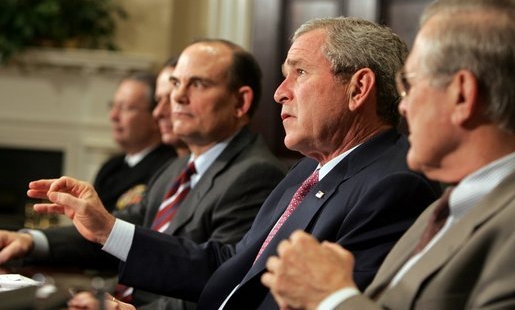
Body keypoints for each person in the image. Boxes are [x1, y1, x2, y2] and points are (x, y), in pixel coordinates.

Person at [28, 18, 441, 310]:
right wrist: (106, 230)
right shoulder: (307, 170)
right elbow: (232, 267)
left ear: (359, 88)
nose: (280, 93)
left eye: (299, 72)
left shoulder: (394, 185)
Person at [261, 0, 515, 310]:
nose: (403, 106)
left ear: (462, 95)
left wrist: (333, 299)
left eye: (410, 84)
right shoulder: (441, 212)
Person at [3, 39, 286, 309]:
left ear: (241, 102)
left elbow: (220, 283)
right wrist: (30, 241)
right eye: (176, 83)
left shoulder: (256, 175)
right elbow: (117, 233)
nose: (178, 96)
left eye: (198, 84)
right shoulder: (178, 167)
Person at [96, 72, 177, 211]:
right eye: (113, 106)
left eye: (126, 108)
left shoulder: (168, 167)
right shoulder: (111, 167)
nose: (113, 116)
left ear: (154, 117)